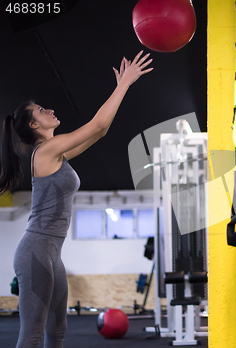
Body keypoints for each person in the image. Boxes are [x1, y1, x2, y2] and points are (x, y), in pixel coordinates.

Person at [0, 51, 153, 348]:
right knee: (32, 333)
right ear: (34, 126)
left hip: (51, 254)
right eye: (42, 110)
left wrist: (122, 87)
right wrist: (124, 84)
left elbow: (101, 130)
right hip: (36, 251)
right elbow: (95, 125)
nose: (50, 110)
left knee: (57, 331)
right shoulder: (46, 151)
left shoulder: (57, 153)